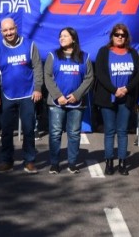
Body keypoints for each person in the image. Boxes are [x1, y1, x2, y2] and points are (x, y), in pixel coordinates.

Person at [0, 18, 43, 174]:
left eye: (11, 29)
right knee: (6, 130)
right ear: (1, 32)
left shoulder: (29, 45)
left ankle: (29, 161)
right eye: (5, 30)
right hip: (7, 94)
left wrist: (38, 88)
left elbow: (37, 67)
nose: (8, 33)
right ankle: (7, 161)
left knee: (29, 129)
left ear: (16, 28)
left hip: (28, 94)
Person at [93, 24, 139, 176]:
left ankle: (122, 162)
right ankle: (109, 162)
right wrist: (114, 90)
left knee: (122, 131)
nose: (120, 37)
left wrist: (126, 89)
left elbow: (138, 74)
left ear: (127, 37)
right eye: (117, 34)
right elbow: (100, 74)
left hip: (126, 98)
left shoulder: (132, 53)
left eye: (123, 35)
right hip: (108, 97)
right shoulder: (104, 52)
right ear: (112, 36)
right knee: (109, 131)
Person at [44, 27, 94, 174]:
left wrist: (77, 95)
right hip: (56, 103)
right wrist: (58, 95)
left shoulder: (84, 57)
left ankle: (72, 163)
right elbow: (48, 77)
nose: (62, 38)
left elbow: (89, 78)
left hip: (76, 103)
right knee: (55, 133)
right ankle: (54, 163)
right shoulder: (53, 56)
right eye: (60, 36)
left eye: (65, 36)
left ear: (73, 39)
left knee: (74, 133)